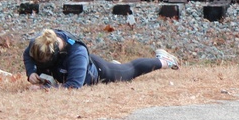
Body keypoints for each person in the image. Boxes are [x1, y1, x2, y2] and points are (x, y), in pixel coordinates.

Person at [24, 28, 179, 89]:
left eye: (43, 62)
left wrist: (45, 89)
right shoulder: (40, 42)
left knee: (128, 71)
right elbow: (27, 55)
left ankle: (165, 61)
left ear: (55, 53)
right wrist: (31, 71)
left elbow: (72, 87)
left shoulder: (77, 53)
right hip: (69, 68)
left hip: (97, 72)